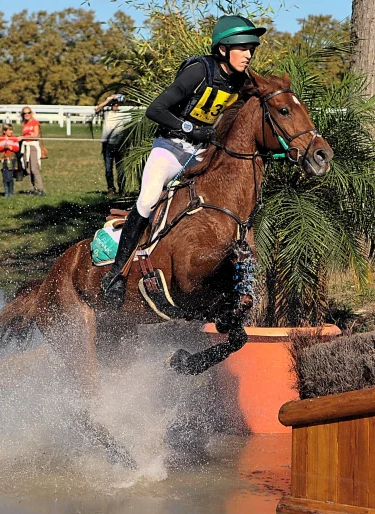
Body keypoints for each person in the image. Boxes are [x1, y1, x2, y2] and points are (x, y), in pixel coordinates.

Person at [101, 14, 266, 305]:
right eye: (243, 48)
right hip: (171, 148)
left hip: (202, 155)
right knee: (148, 200)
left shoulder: (242, 82)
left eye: (251, 48)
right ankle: (117, 274)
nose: (249, 54)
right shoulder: (199, 72)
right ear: (224, 49)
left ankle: (237, 290)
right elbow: (156, 110)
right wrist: (190, 128)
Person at [95, 94, 127, 197]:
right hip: (107, 145)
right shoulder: (107, 113)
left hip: (120, 144)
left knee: (120, 168)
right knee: (108, 169)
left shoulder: (124, 114)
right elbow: (97, 109)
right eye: (114, 104)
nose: (115, 105)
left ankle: (122, 188)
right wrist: (108, 99)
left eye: (117, 104)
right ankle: (110, 188)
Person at [18, 107, 45, 196]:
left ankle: (40, 189)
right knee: (28, 169)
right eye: (24, 113)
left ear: (31, 113)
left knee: (34, 169)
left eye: (28, 112)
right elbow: (27, 135)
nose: (27, 114)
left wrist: (24, 137)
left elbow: (36, 135)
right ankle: (31, 188)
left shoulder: (35, 123)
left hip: (33, 146)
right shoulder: (25, 124)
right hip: (26, 147)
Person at [0, 124, 20, 197]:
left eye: (11, 130)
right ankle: (6, 192)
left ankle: (11, 192)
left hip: (11, 159)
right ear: (4, 131)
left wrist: (11, 148)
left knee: (10, 176)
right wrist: (3, 147)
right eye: (9, 130)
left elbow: (17, 148)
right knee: (5, 176)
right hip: (3, 160)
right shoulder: (0, 138)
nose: (11, 132)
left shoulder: (14, 138)